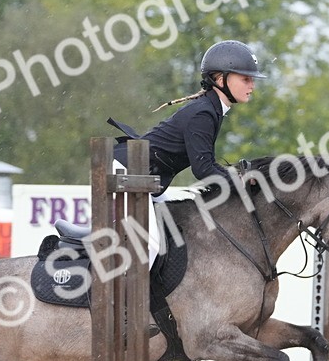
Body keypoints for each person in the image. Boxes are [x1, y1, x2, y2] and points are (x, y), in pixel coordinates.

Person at [109, 39, 266, 264]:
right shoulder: (204, 113)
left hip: (146, 178)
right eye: (245, 79)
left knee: (182, 223)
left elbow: (207, 166)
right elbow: (203, 169)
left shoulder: (211, 109)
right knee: (150, 246)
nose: (252, 85)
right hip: (128, 173)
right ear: (221, 79)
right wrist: (239, 182)